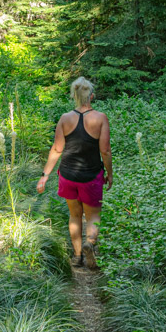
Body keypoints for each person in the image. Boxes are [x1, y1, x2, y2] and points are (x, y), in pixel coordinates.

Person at [37, 76, 112, 268]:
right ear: (91, 96)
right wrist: (109, 173)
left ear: (74, 97)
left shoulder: (65, 118)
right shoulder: (100, 118)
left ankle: (77, 256)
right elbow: (105, 150)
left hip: (68, 175)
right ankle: (90, 244)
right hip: (91, 175)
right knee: (93, 215)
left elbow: (56, 149)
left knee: (75, 215)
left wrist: (44, 176)